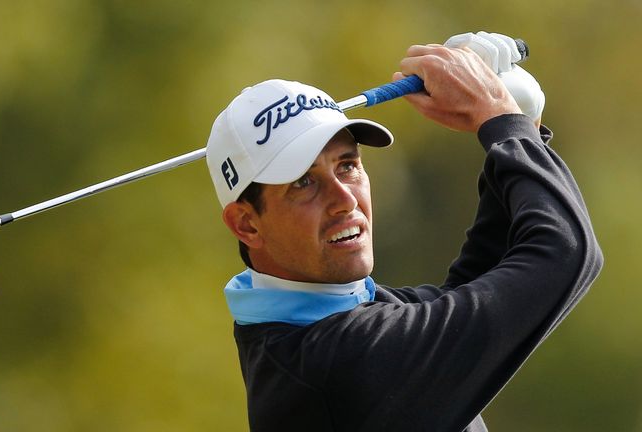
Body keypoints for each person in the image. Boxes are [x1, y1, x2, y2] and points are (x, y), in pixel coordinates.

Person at [204, 32, 603, 432]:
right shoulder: (336, 364)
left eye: (347, 165)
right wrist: (501, 120)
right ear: (246, 223)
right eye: (303, 183)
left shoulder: (311, 325)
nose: (345, 199)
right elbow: (565, 254)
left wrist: (523, 125)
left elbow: (480, 280)